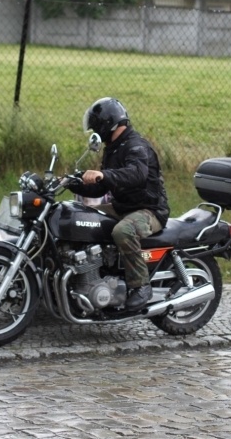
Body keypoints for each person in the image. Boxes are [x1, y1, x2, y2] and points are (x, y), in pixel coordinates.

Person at [68, 97, 170, 310]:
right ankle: (87, 275)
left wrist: (103, 175)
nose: (96, 132)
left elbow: (137, 174)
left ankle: (141, 285)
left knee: (122, 231)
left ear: (108, 124)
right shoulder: (113, 148)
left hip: (149, 210)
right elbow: (100, 188)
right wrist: (71, 182)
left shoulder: (136, 146)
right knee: (79, 218)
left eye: (96, 127)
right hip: (123, 207)